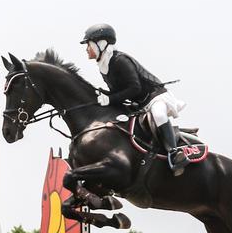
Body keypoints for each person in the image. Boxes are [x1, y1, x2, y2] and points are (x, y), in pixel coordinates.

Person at [80, 23, 189, 174]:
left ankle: (174, 153)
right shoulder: (105, 66)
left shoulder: (120, 60)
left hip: (154, 97)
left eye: (89, 45)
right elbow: (120, 91)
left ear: (101, 44)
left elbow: (134, 88)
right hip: (139, 104)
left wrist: (110, 99)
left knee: (158, 114)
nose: (87, 49)